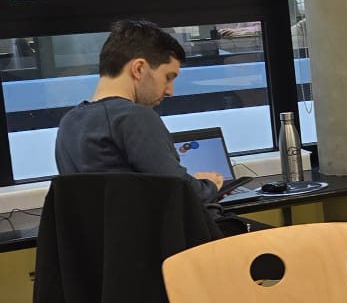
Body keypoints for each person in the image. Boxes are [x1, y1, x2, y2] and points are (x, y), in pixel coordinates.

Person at [52, 20, 225, 204]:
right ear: (139, 69)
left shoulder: (69, 122)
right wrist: (210, 185)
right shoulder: (134, 117)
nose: (170, 91)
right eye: (168, 77)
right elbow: (180, 192)